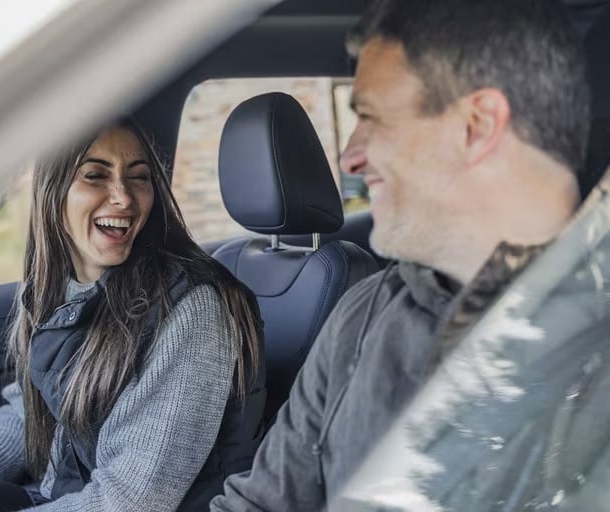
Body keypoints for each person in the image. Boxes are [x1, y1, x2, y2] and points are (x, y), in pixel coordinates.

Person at [210, 0, 591, 510]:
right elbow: (259, 503)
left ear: (475, 126)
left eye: (370, 116)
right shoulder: (363, 314)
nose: (351, 155)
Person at [0, 120, 265, 512]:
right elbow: (31, 408)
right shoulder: (55, 289)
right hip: (58, 496)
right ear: (53, 190)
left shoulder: (192, 307)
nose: (123, 196)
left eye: (139, 176)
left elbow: (133, 499)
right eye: (95, 175)